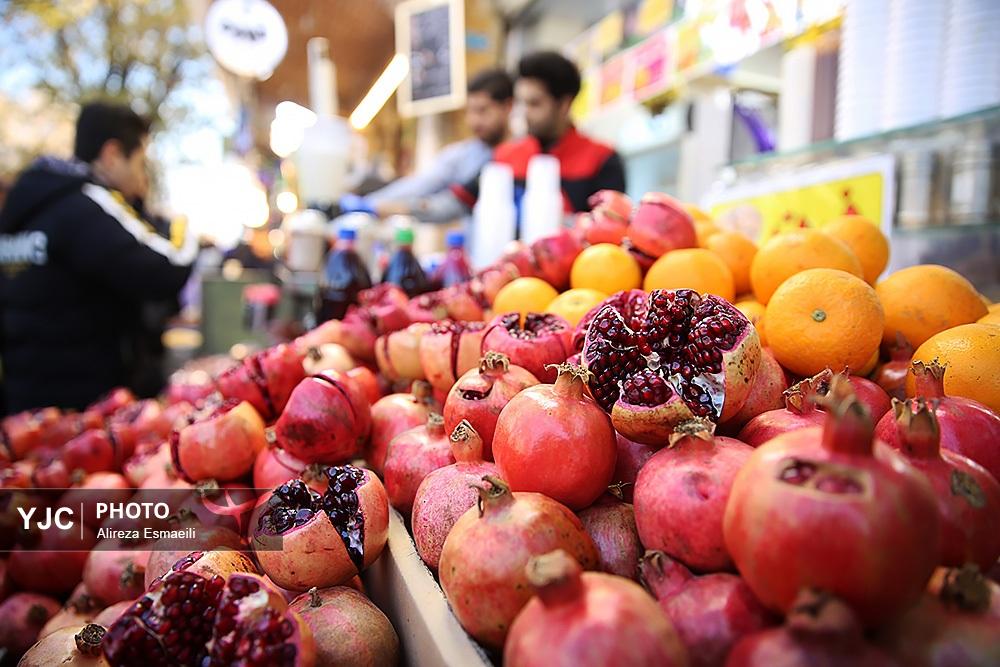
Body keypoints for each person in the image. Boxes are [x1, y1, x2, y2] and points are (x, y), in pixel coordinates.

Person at [0, 102, 196, 413]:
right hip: (85, 414)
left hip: (24, 407)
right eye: (140, 161)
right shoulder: (88, 203)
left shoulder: (23, 207)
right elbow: (167, 268)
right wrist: (181, 225)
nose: (141, 175)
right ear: (112, 155)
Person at [449, 51, 626, 225]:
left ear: (564, 104)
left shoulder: (602, 159)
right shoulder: (506, 155)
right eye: (522, 103)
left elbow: (611, 226)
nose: (525, 113)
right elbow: (461, 201)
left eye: (534, 104)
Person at [338, 68, 514, 220]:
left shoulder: (529, 156)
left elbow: (450, 206)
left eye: (482, 110)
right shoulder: (461, 156)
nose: (473, 121)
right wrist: (371, 204)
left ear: (507, 107)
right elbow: (422, 185)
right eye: (470, 112)